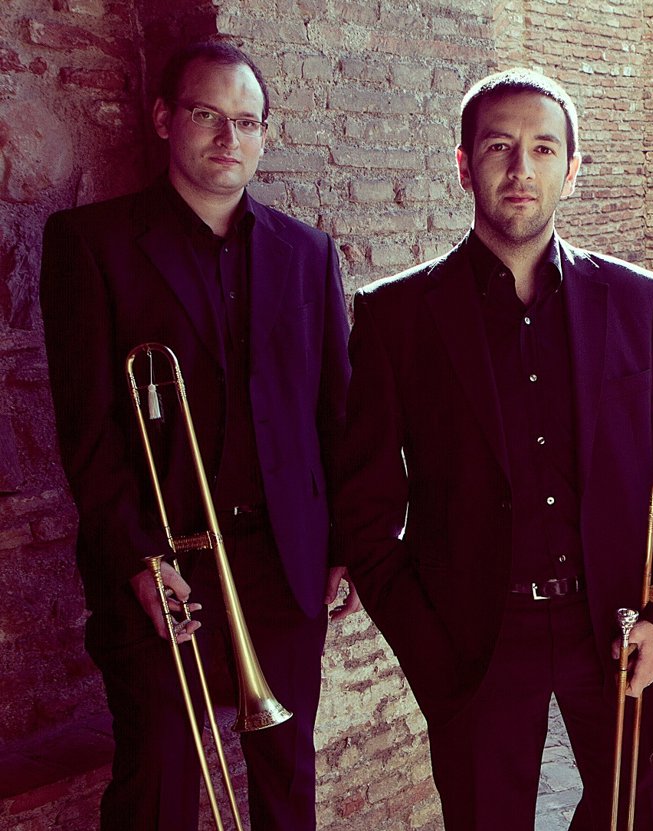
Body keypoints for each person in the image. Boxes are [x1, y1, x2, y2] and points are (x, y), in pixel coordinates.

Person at [333, 68, 653, 830]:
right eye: (498, 147)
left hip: (620, 626)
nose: (520, 169)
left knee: (644, 818)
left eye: (543, 149)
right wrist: (429, 649)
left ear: (572, 169)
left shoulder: (638, 301)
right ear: (463, 164)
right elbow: (365, 510)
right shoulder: (394, 315)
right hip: (477, 642)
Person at [39, 40, 356, 831]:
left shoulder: (308, 253)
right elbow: (89, 432)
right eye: (207, 114)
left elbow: (336, 412)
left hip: (284, 565)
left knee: (287, 775)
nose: (227, 137)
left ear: (265, 135)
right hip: (161, 566)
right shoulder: (90, 244)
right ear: (163, 119)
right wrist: (139, 561)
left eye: (247, 122)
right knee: (158, 782)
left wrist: (344, 544)